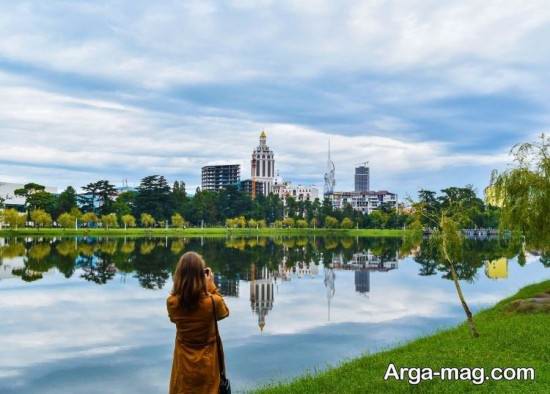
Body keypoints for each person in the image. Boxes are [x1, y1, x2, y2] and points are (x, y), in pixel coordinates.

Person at [167, 252, 229, 394]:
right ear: (200, 276)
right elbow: (224, 313)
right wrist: (211, 286)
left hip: (183, 360)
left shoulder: (172, 302)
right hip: (208, 360)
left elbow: (173, 319)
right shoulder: (213, 301)